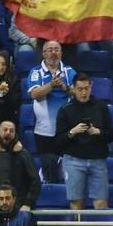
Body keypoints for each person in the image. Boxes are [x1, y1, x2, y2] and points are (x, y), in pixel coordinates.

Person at [56, 72, 113, 209]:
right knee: (76, 203)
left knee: (101, 203)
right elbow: (58, 140)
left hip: (98, 160)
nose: (83, 93)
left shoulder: (101, 107)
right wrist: (73, 132)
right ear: (73, 88)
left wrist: (98, 132)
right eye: (80, 89)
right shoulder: (65, 109)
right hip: (73, 160)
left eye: (86, 88)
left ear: (91, 87)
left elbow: (112, 135)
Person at [27, 39, 76, 183]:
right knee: (47, 169)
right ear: (43, 53)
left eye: (56, 49)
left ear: (61, 53)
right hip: (43, 131)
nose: (53, 53)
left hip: (65, 130)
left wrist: (65, 87)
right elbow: (34, 94)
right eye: (50, 50)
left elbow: (80, 93)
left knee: (65, 170)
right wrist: (52, 84)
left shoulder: (69, 71)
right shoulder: (36, 72)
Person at [0, 121, 40, 211]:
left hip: (16, 208)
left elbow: (35, 181)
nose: (8, 132)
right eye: (5, 130)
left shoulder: (22, 154)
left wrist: (28, 203)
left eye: (11, 131)